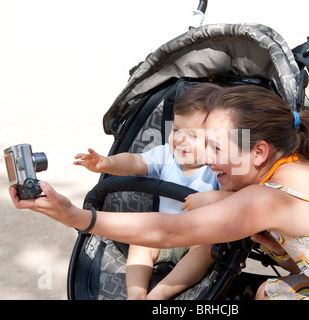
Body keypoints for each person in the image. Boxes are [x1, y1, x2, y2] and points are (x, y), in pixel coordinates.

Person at [9, 85, 309, 300]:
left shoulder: (266, 199)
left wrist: (75, 216)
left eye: (218, 148)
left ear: (259, 151)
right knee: (273, 289)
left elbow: (171, 231)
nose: (206, 159)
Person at [73, 82, 221, 300]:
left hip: (199, 237)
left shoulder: (217, 168)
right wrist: (107, 163)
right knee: (140, 240)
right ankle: (136, 293)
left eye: (192, 136)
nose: (180, 140)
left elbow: (237, 198)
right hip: (163, 233)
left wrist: (213, 197)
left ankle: (160, 293)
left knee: (206, 249)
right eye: (177, 129)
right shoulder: (165, 155)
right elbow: (134, 161)